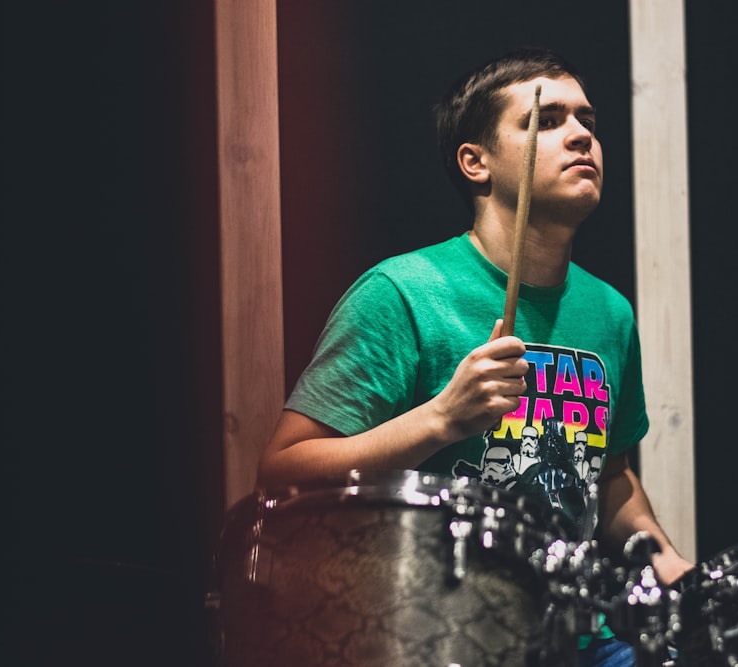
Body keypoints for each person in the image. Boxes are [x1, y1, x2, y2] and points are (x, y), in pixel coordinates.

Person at [257, 47, 693, 666]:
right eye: (547, 120)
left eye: (588, 122)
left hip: (580, 635)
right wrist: (442, 419)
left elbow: (612, 477)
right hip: (432, 632)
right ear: (475, 162)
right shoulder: (403, 293)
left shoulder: (609, 313)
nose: (579, 136)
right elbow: (282, 475)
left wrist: (669, 565)